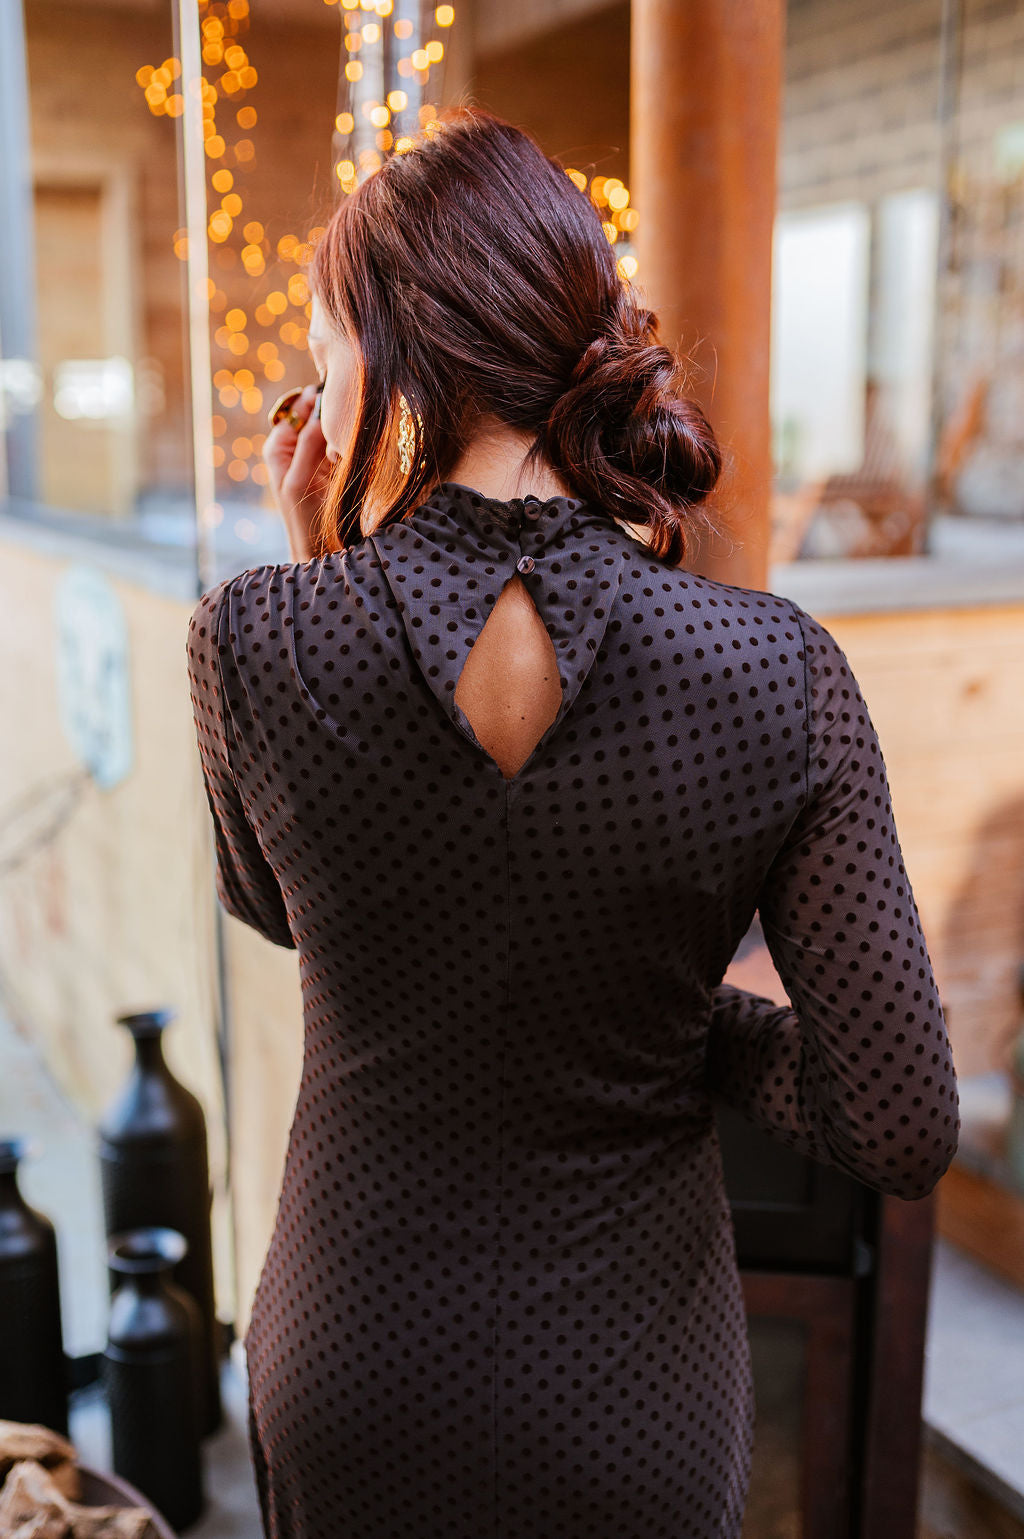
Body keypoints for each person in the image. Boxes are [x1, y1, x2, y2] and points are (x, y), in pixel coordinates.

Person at [186, 104, 959, 1539]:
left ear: (391, 358)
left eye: (325, 355)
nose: (319, 396)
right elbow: (898, 1122)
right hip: (633, 1402)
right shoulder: (775, 670)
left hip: (352, 1367)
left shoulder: (251, 641)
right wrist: (661, 1017)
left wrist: (314, 573)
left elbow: (280, 908)